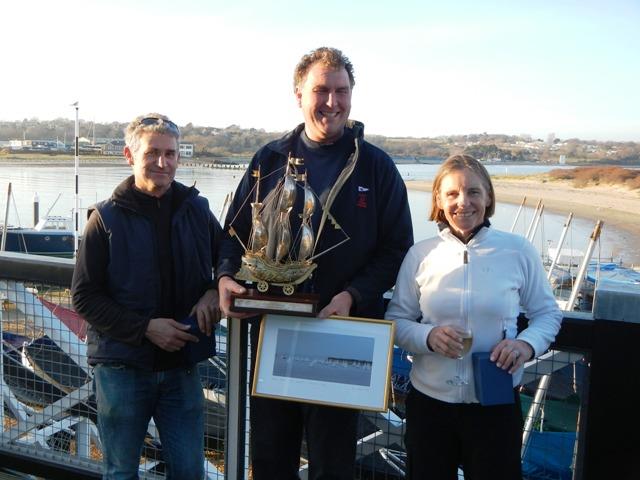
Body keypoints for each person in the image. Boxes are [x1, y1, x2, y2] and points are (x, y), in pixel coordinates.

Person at [217, 47, 414, 479]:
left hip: (342, 333)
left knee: (332, 461)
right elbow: (233, 233)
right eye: (321, 90)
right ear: (298, 94)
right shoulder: (269, 159)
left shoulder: (377, 167)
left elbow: (398, 249)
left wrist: (353, 294)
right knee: (270, 456)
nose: (332, 102)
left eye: (341, 91)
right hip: (274, 331)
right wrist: (226, 277)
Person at [385, 154, 562, 479]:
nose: (463, 202)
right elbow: (396, 322)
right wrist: (428, 337)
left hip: (495, 404)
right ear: (438, 199)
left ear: (489, 197)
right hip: (430, 403)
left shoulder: (517, 251)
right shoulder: (420, 254)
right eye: (452, 194)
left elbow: (547, 315)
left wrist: (525, 346)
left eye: (473, 192)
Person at [71, 113, 222, 479]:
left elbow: (230, 258)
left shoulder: (196, 210)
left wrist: (215, 289)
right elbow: (84, 297)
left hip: (181, 369)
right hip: (122, 369)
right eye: (153, 152)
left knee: (189, 472)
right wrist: (145, 329)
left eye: (170, 154)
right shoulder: (104, 219)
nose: (163, 162)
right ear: (129, 154)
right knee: (122, 472)